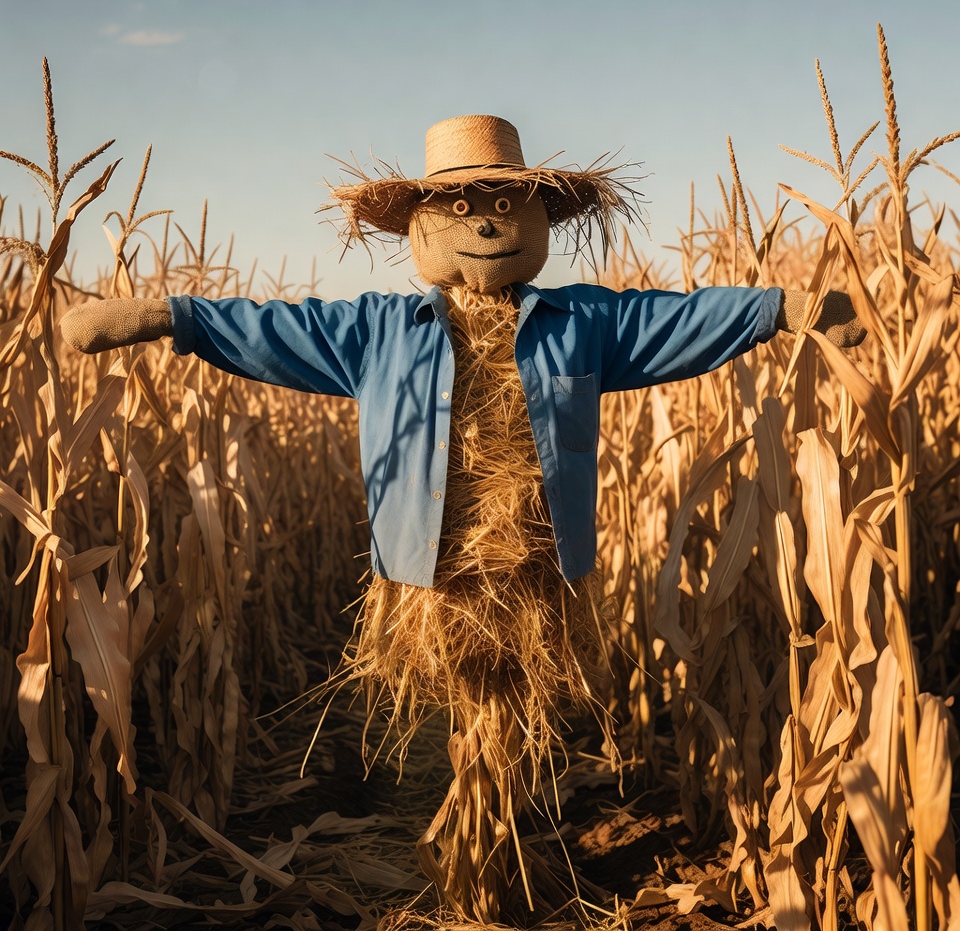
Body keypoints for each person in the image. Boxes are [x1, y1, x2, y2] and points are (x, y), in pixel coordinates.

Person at [60, 114, 864, 921]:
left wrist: (778, 308)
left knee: (514, 730)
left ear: (540, 220)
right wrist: (174, 318)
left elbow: (676, 319)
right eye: (460, 207)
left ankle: (497, 862)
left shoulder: (580, 323)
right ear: (419, 226)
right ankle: (471, 867)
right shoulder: (379, 331)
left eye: (506, 206)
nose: (483, 224)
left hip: (538, 575)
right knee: (463, 719)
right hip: (431, 579)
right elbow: (275, 328)